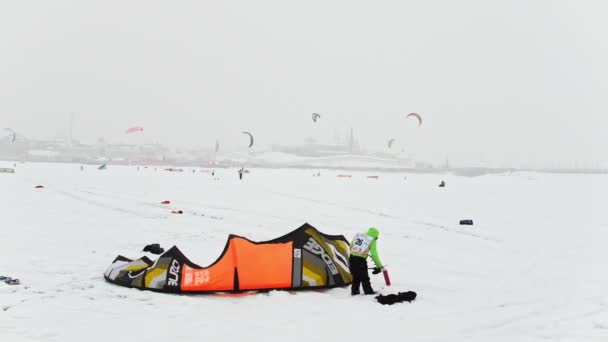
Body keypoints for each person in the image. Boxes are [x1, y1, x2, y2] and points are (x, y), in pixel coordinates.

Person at [349, 227, 384, 295]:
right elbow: (374, 254)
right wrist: (379, 265)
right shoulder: (372, 239)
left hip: (351, 258)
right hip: (360, 260)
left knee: (356, 276)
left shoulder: (359, 235)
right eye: (377, 237)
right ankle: (368, 292)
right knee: (364, 277)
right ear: (375, 236)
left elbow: (350, 247)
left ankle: (354, 291)